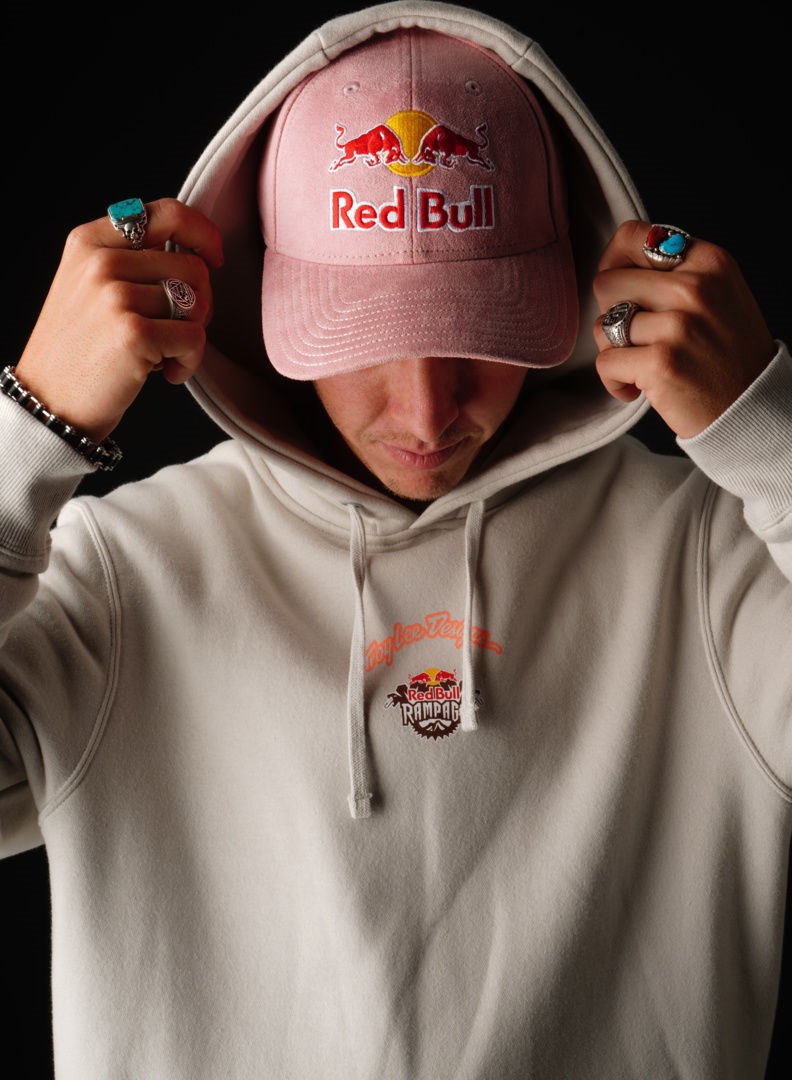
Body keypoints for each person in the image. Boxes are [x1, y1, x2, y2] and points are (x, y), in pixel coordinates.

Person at [1, 1, 789, 1077]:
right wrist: (29, 435)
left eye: (480, 332)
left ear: (566, 290)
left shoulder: (712, 565)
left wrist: (768, 435)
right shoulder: (123, 575)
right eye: (362, 337)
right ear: (263, 294)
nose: (426, 414)